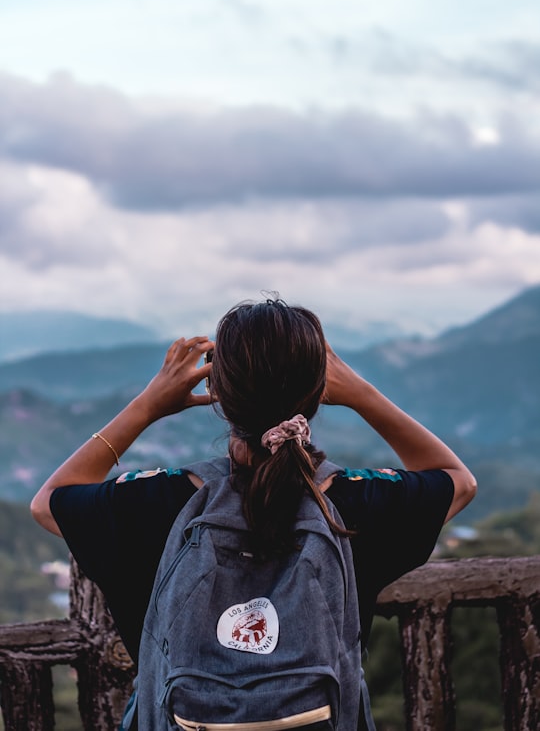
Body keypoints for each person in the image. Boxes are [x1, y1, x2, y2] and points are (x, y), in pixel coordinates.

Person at [31, 298, 477, 730]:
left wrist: (148, 405)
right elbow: (457, 480)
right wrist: (361, 393)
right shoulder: (351, 506)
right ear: (319, 392)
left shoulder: (155, 504)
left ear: (216, 392)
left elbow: (50, 499)